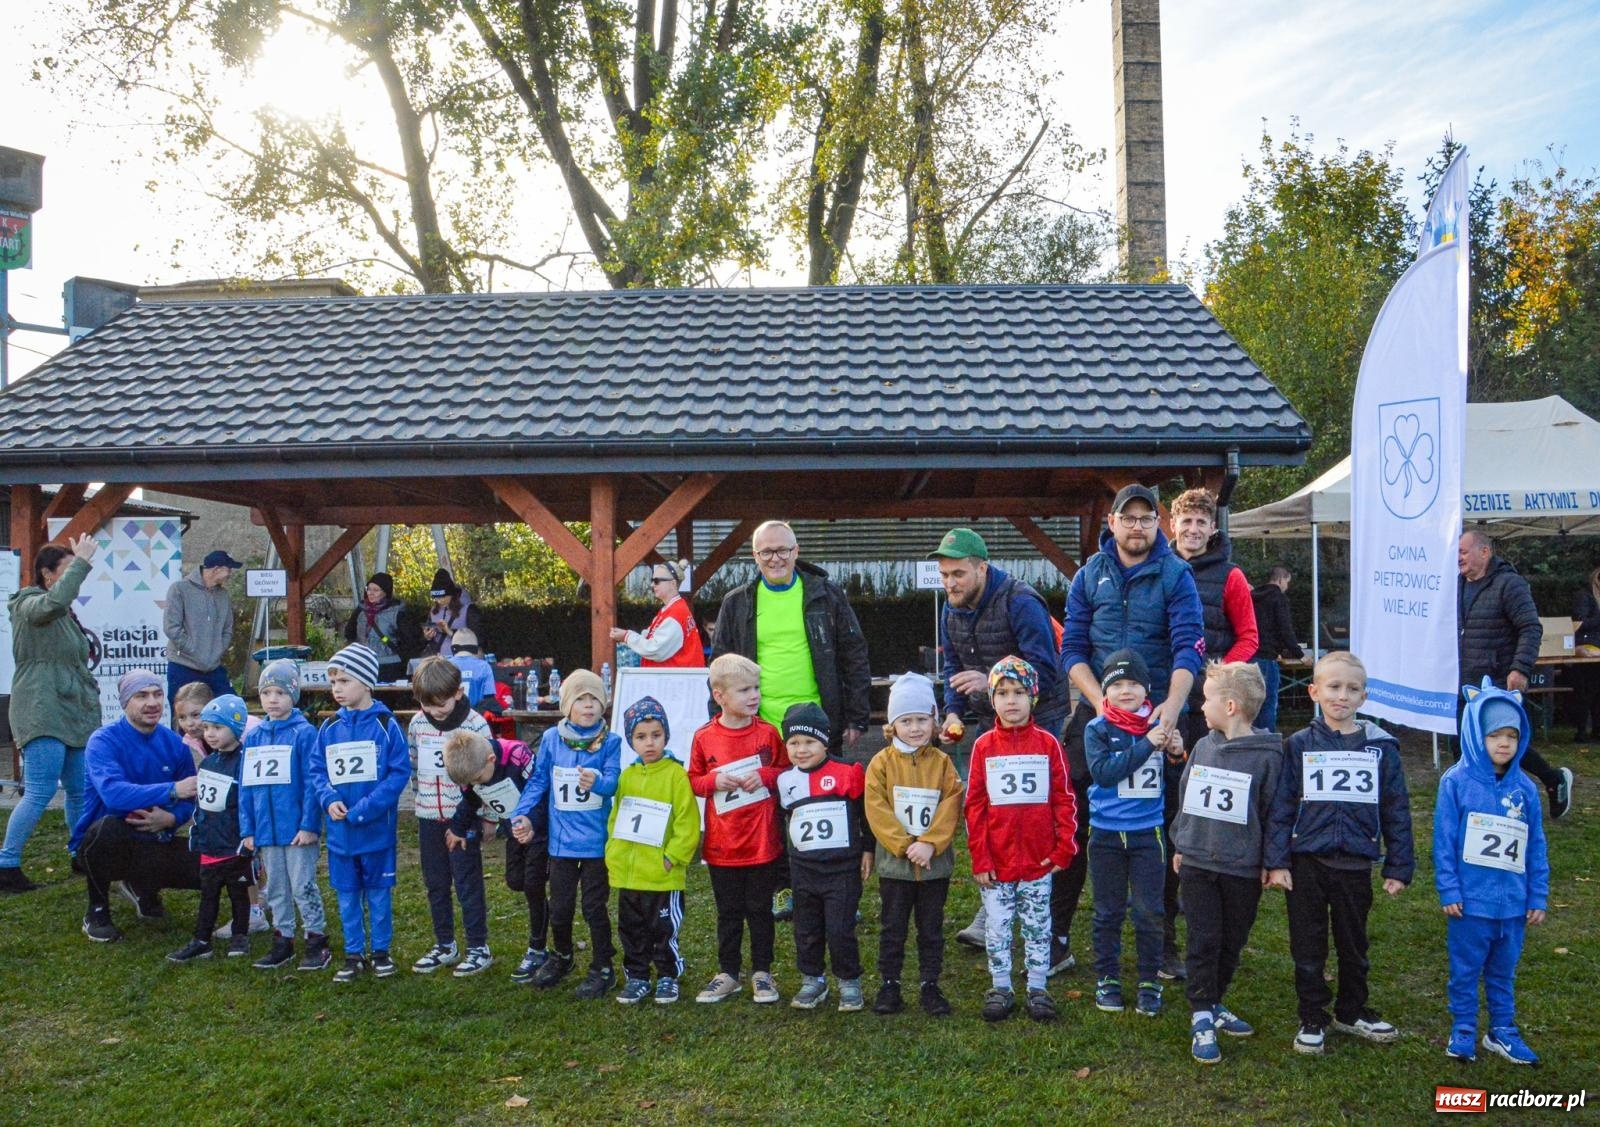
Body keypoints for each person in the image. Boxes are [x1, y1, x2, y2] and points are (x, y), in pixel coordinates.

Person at [1060, 483, 1205, 982]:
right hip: (1097, 718)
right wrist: (1100, 703)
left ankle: (1161, 941)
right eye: (1129, 518)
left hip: (1159, 714)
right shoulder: (1088, 576)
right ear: (1113, 524)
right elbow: (1073, 649)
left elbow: (1190, 648)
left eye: (1147, 518)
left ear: (1156, 526)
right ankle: (1058, 935)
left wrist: (1169, 710)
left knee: (1161, 830)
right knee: (1075, 820)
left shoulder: (1176, 575)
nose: (1138, 526)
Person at [1265, 652, 1413, 1055]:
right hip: (1306, 864)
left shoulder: (1381, 748)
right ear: (1314, 691)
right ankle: (1312, 1015)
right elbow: (1281, 807)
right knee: (1307, 945)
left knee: (1353, 943)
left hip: (1354, 864)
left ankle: (1352, 1009)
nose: (1342, 696)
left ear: (1364, 697)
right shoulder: (1297, 745)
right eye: (1333, 687)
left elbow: (1396, 808)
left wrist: (1399, 864)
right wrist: (1277, 861)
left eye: (1352, 689)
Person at [932, 527, 1067, 952]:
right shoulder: (950, 610)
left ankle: (1047, 921)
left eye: (958, 573)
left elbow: (1045, 670)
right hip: (990, 723)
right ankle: (993, 907)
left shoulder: (1021, 601)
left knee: (1035, 815)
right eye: (945, 575)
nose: (950, 583)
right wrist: (953, 709)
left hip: (1041, 720)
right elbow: (952, 667)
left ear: (982, 568)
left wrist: (990, 679)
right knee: (993, 811)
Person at [1171, 662, 1283, 1065]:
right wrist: (1182, 842)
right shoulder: (1203, 746)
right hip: (1199, 863)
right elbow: (1187, 797)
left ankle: (1214, 1001)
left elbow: (1275, 813)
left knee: (1231, 941)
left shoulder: (1269, 757)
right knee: (1203, 937)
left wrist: (1272, 861)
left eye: (1207, 698)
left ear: (1231, 706)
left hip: (1242, 869)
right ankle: (1201, 1013)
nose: (1201, 706)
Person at [1434, 680, 1549, 1065]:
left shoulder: (1526, 789)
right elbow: (1444, 841)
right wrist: (1449, 890)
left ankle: (1502, 1030)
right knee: (1465, 971)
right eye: (1494, 734)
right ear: (1474, 735)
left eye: (1512, 736)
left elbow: (1536, 847)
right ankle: (1464, 1027)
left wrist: (1537, 896)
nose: (1504, 743)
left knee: (1503, 973)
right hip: (1470, 905)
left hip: (1513, 906)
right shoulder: (1455, 783)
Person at [965, 656, 1078, 1024]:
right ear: (992, 699)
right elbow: (975, 805)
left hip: (1037, 860)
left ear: (1033, 698)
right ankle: (1000, 985)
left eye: (1018, 692)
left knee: (1037, 924)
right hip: (996, 861)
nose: (1011, 701)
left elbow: (1063, 797)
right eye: (1002, 693)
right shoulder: (983, 746)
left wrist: (1064, 847)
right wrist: (981, 858)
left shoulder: (1047, 744)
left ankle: (1038, 986)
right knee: (997, 926)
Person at [710, 520, 870, 759]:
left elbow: (854, 656)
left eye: (782, 550)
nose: (775, 559)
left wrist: (857, 717)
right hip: (757, 727)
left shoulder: (827, 595)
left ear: (796, 551)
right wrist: (717, 719)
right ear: (755, 556)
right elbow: (719, 667)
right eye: (766, 552)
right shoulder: (736, 603)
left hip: (818, 726)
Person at [510, 669, 621, 999]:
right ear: (567, 705)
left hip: (596, 843)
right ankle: (562, 955)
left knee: (593, 907)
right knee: (559, 907)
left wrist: (597, 783)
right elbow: (540, 781)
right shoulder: (551, 740)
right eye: (581, 700)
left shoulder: (610, 741)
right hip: (561, 844)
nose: (588, 706)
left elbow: (614, 780)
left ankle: (603, 965)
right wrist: (522, 814)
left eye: (595, 700)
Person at [686, 654, 789, 1004]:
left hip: (762, 842)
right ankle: (728, 973)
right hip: (722, 845)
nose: (754, 696)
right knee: (728, 912)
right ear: (720, 695)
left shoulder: (768, 733)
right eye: (744, 690)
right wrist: (715, 780)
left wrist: (763, 775)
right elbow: (694, 781)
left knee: (760, 910)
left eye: (756, 688)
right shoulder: (704, 737)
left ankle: (763, 972)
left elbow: (785, 772)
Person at [306, 643, 411, 983]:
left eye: (344, 681)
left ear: (366, 682)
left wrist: (367, 808)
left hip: (376, 833)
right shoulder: (328, 727)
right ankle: (353, 954)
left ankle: (381, 952)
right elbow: (316, 771)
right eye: (333, 681)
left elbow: (398, 772)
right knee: (347, 896)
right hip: (340, 835)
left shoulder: (386, 725)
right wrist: (327, 798)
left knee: (378, 896)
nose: (336, 689)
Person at [1, 535, 101, 893]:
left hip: (71, 710)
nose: (74, 575)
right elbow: (52, 602)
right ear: (46, 574)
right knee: (41, 791)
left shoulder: (64, 614)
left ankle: (80, 853)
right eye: (67, 569)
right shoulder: (27, 604)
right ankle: (6, 865)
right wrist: (84, 563)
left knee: (78, 790)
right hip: (41, 708)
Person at [72, 671, 201, 942]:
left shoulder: (174, 743)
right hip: (105, 843)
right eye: (141, 696)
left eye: (157, 694)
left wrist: (171, 819)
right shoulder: (103, 741)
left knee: (208, 866)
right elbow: (114, 796)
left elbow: (190, 800)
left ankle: (143, 887)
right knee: (109, 828)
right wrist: (171, 790)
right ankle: (96, 911)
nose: (152, 703)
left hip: (154, 840)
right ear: (124, 702)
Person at [863, 672, 962, 1018]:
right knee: (893, 926)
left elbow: (952, 802)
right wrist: (905, 845)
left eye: (922, 719)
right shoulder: (880, 764)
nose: (916, 728)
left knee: (931, 927)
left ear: (934, 721)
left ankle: (929, 983)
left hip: (934, 866)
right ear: (893, 725)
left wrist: (932, 844)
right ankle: (889, 984)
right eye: (906, 721)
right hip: (896, 865)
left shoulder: (943, 764)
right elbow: (876, 809)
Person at [1083, 650, 1176, 1019]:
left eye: (1133, 683)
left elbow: (1172, 780)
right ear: (1105, 691)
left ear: (1146, 688)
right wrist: (1148, 745)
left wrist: (1176, 754)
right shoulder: (1098, 728)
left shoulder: (1160, 725)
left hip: (1147, 834)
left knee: (1150, 911)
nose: (1126, 691)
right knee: (1107, 911)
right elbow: (1105, 773)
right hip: (1106, 834)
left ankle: (1150, 981)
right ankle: (1107, 978)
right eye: (1117, 684)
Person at [1457, 530, 1574, 819]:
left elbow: (1531, 628)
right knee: (1463, 742)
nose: (1457, 558)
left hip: (1497, 678)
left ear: (1484, 552)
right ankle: (1482, 802)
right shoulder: (1456, 586)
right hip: (1465, 680)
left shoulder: (1509, 584)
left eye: (1463, 551)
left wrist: (1520, 668)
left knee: (1501, 743)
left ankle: (1552, 779)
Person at [776, 702, 873, 1012]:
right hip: (803, 869)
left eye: (809, 742)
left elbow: (866, 816)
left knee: (840, 928)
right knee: (806, 928)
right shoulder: (785, 781)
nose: (801, 750)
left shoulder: (848, 772)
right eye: (793, 743)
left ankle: (849, 981)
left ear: (825, 740)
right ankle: (812, 979)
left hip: (842, 869)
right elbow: (784, 823)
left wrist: (868, 849)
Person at [606, 697, 701, 1004]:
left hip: (662, 874)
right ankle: (637, 976)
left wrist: (673, 856)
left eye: (656, 735)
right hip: (630, 874)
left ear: (666, 736)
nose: (649, 743)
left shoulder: (676, 775)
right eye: (641, 737)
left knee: (663, 929)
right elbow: (616, 818)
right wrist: (614, 854)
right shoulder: (627, 776)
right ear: (631, 739)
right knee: (631, 930)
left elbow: (687, 821)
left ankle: (668, 975)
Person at [239, 659, 330, 971]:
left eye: (280, 692)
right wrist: (248, 828)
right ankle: (283, 938)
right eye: (266, 692)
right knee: (276, 885)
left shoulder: (305, 734)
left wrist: (309, 824)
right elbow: (246, 788)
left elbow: (312, 783)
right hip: (266, 831)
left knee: (303, 884)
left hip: (296, 830)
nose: (273, 699)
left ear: (294, 694)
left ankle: (316, 937)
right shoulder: (253, 737)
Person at [407, 656, 494, 977]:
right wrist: (420, 800)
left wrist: (487, 817)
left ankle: (477, 947)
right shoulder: (417, 724)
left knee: (467, 883)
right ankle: (445, 943)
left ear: (458, 692)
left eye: (440, 704)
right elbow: (415, 766)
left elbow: (488, 773)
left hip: (464, 817)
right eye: (427, 705)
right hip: (429, 816)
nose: (434, 711)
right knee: (436, 883)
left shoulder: (475, 724)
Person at [443, 730, 547, 984]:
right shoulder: (471, 773)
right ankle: (544, 904)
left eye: (479, 778)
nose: (477, 784)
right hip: (514, 832)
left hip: (540, 830)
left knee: (534, 887)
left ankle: (538, 948)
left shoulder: (518, 755)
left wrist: (532, 822)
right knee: (515, 881)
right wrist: (458, 828)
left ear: (491, 759)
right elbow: (470, 799)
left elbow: (541, 789)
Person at [166, 694, 255, 963]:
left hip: (236, 844)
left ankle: (241, 934)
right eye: (207, 728)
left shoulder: (245, 762)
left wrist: (248, 836)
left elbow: (250, 804)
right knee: (209, 894)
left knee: (239, 892)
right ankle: (201, 940)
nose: (211, 734)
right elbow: (202, 803)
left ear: (236, 728)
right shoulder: (207, 763)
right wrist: (198, 832)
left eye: (218, 728)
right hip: (211, 845)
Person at [163, 548, 240, 706]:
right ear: (216, 569)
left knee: (232, 705)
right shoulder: (179, 589)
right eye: (228, 569)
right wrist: (194, 649)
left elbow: (227, 629)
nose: (231, 573)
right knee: (181, 716)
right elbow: (171, 628)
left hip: (213, 668)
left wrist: (218, 649)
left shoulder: (223, 595)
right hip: (183, 666)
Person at [610, 560, 707, 668]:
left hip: (675, 681)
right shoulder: (673, 609)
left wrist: (627, 636)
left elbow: (654, 649)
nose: (652, 585)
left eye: (657, 581)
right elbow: (650, 637)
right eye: (652, 580)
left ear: (673, 583)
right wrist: (630, 638)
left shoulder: (675, 614)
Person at [1250, 566, 1304, 733]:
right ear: (1280, 579)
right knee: (1268, 703)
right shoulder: (1278, 598)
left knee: (1251, 703)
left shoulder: (1252, 597)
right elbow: (1284, 628)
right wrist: (1299, 654)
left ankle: (1250, 738)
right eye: (1287, 582)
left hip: (1249, 655)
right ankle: (1267, 741)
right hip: (1267, 657)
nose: (1287, 587)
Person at [343, 572, 412, 685]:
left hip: (390, 667)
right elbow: (349, 633)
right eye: (369, 589)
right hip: (364, 664)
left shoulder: (398, 612)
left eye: (376, 590)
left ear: (385, 592)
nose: (371, 593)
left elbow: (409, 640)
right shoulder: (360, 610)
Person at [1569, 564, 1600, 740]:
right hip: (1587, 649)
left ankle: (1596, 729)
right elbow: (1578, 624)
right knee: (1587, 693)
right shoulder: (1585, 597)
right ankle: (1582, 730)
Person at [423, 569, 481, 658]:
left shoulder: (468, 609)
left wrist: (450, 632)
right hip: (438, 660)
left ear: (451, 594)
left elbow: (477, 638)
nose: (439, 601)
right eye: (436, 598)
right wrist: (428, 636)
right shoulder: (434, 611)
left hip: (463, 659)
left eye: (443, 597)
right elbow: (427, 639)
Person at [447, 629, 498, 708]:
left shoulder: (443, 665)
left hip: (449, 716)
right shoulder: (484, 667)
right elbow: (489, 699)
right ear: (476, 648)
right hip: (476, 716)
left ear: (453, 648)